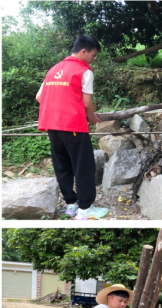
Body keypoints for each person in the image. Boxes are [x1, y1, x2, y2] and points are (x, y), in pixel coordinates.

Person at [36, 35, 109, 220]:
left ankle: (71, 204)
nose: (94, 59)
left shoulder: (53, 69)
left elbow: (39, 97)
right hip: (73, 126)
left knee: (62, 165)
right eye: (93, 54)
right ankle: (85, 209)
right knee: (83, 166)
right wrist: (92, 117)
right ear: (84, 52)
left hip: (52, 126)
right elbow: (86, 103)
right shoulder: (84, 71)